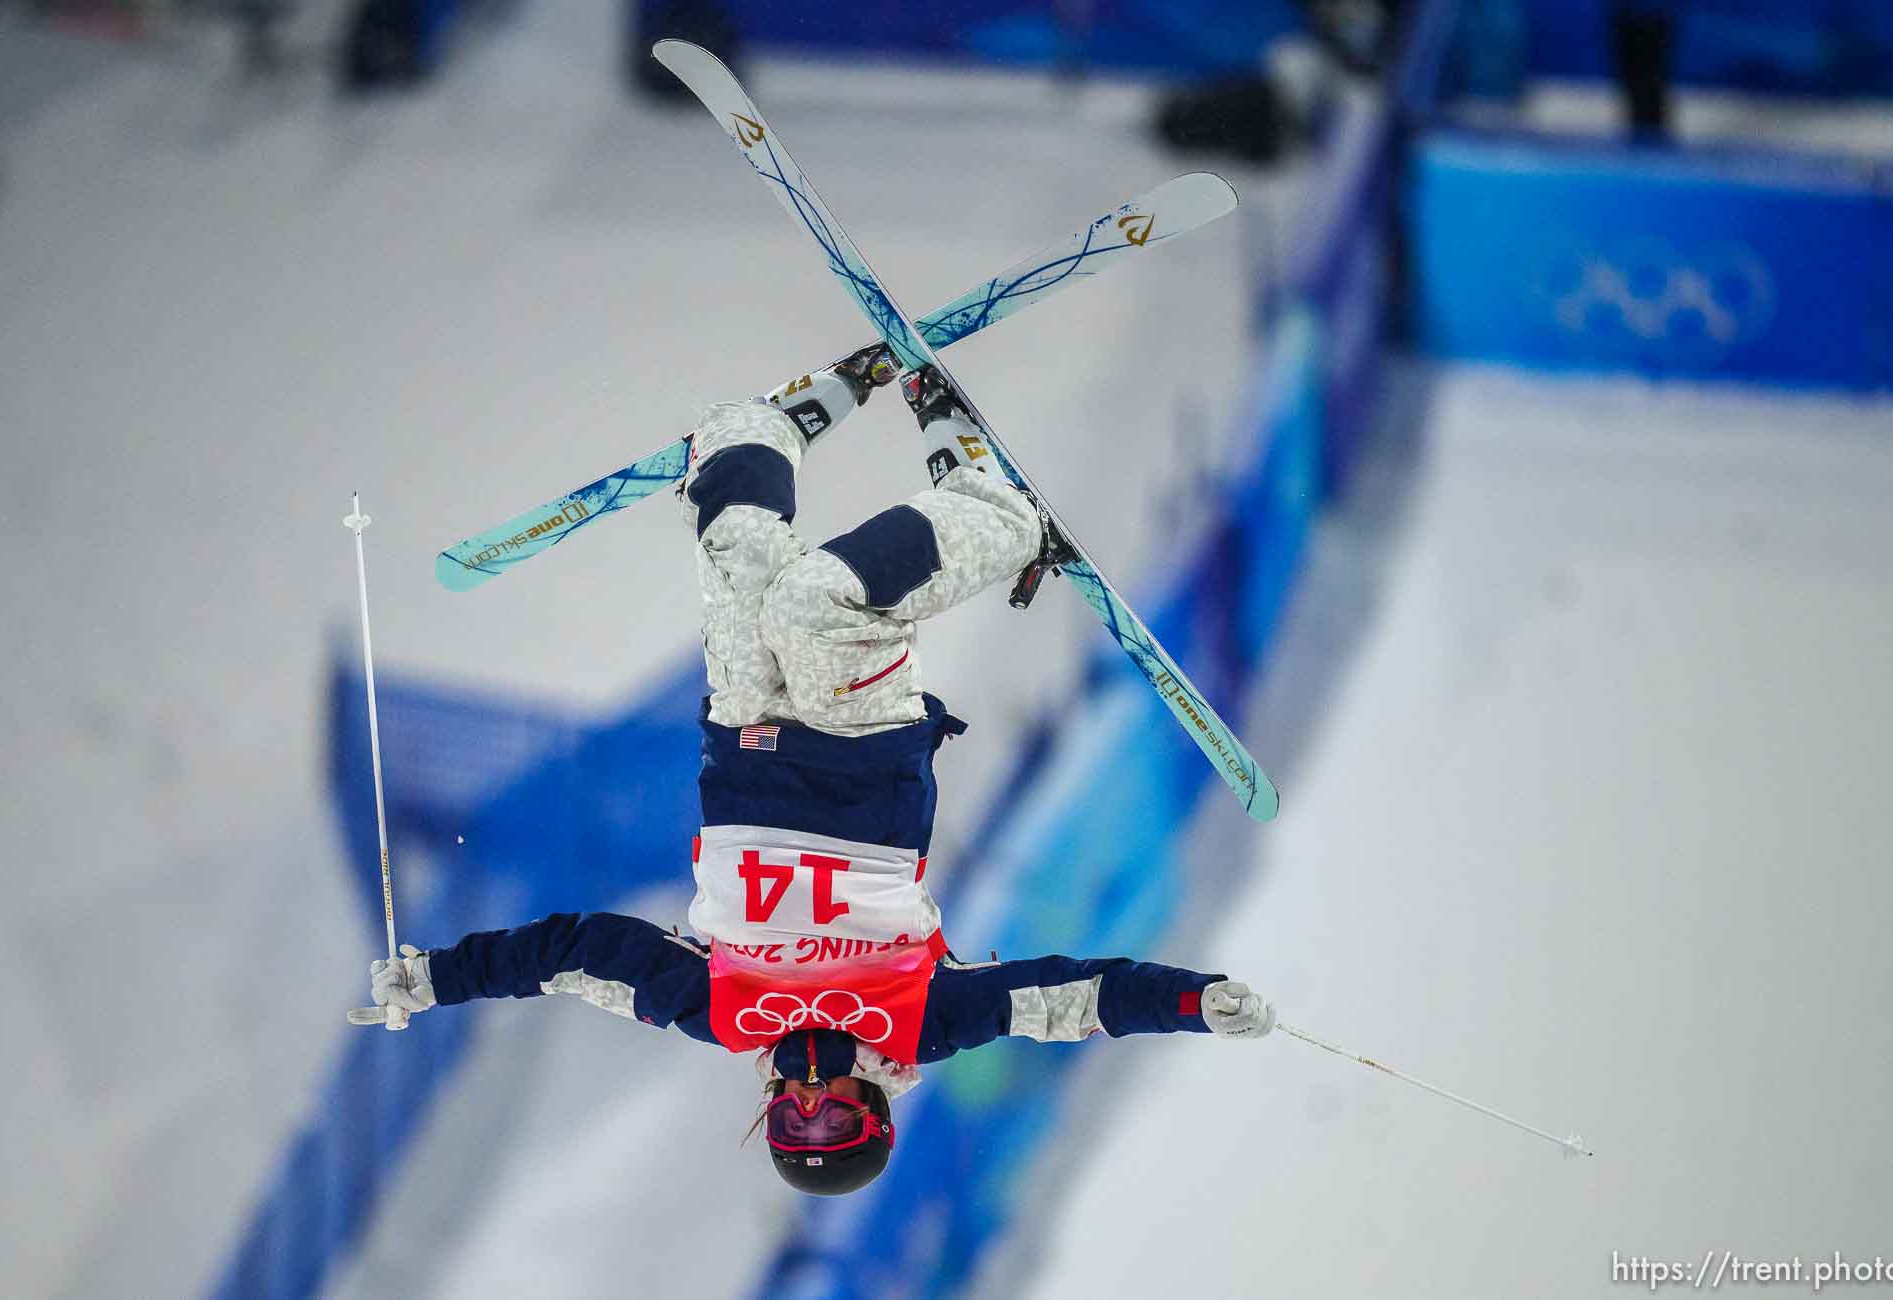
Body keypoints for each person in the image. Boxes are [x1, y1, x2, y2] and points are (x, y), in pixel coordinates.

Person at [352, 349, 1276, 1196]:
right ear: (872, 1109)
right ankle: (999, 513)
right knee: (816, 604)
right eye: (830, 1117)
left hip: (744, 740)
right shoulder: (921, 1022)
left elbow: (572, 956)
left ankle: (755, 435)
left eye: (789, 1121)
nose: (806, 1097)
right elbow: (1076, 1002)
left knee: (743, 560)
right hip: (862, 762)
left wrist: (436, 980)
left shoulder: (718, 1012)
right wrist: (1195, 1002)